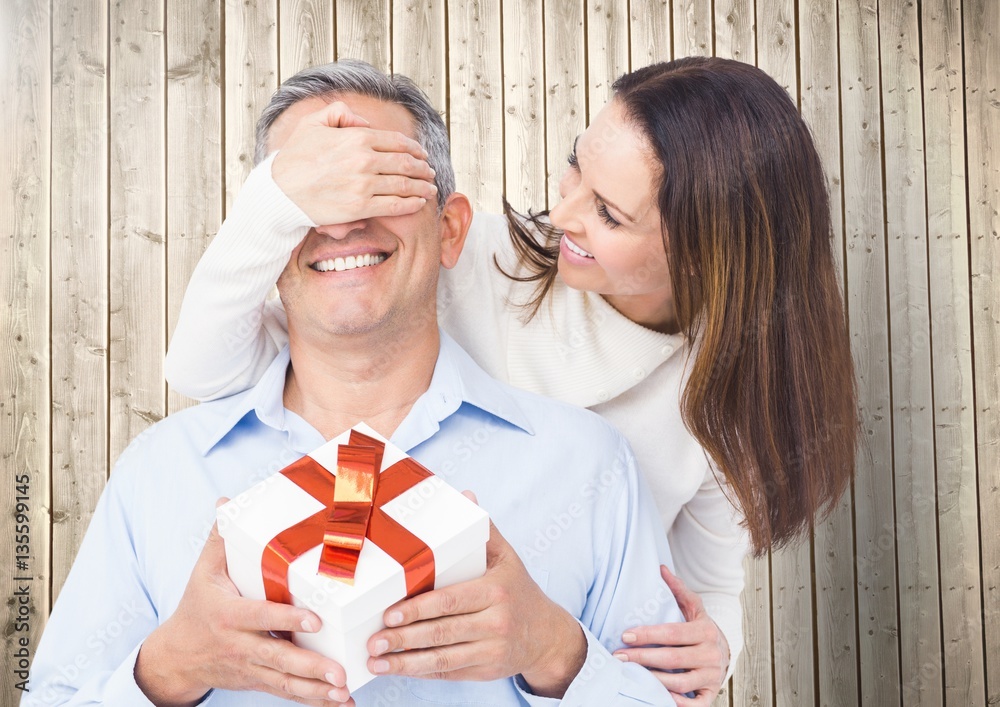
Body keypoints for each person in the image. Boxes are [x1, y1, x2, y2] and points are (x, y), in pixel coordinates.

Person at [164, 57, 859, 704]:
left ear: (709, 253)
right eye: (573, 168)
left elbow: (706, 589)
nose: (561, 216)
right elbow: (209, 369)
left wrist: (716, 651)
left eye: (610, 215)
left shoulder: (722, 410)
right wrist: (277, 198)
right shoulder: (470, 258)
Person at [24, 64, 684, 706]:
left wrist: (556, 653)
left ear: (450, 228)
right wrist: (168, 668)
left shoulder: (589, 466)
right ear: (266, 238)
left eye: (379, 182)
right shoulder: (159, 473)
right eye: (306, 196)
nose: (339, 223)